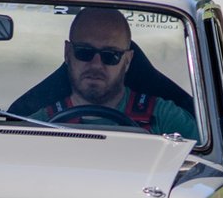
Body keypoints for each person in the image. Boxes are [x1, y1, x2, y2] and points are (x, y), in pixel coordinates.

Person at [29, 8, 199, 139]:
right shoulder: (37, 125)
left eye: (110, 55)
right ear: (67, 53)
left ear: (127, 60)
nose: (96, 64)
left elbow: (207, 168)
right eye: (84, 52)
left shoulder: (164, 118)